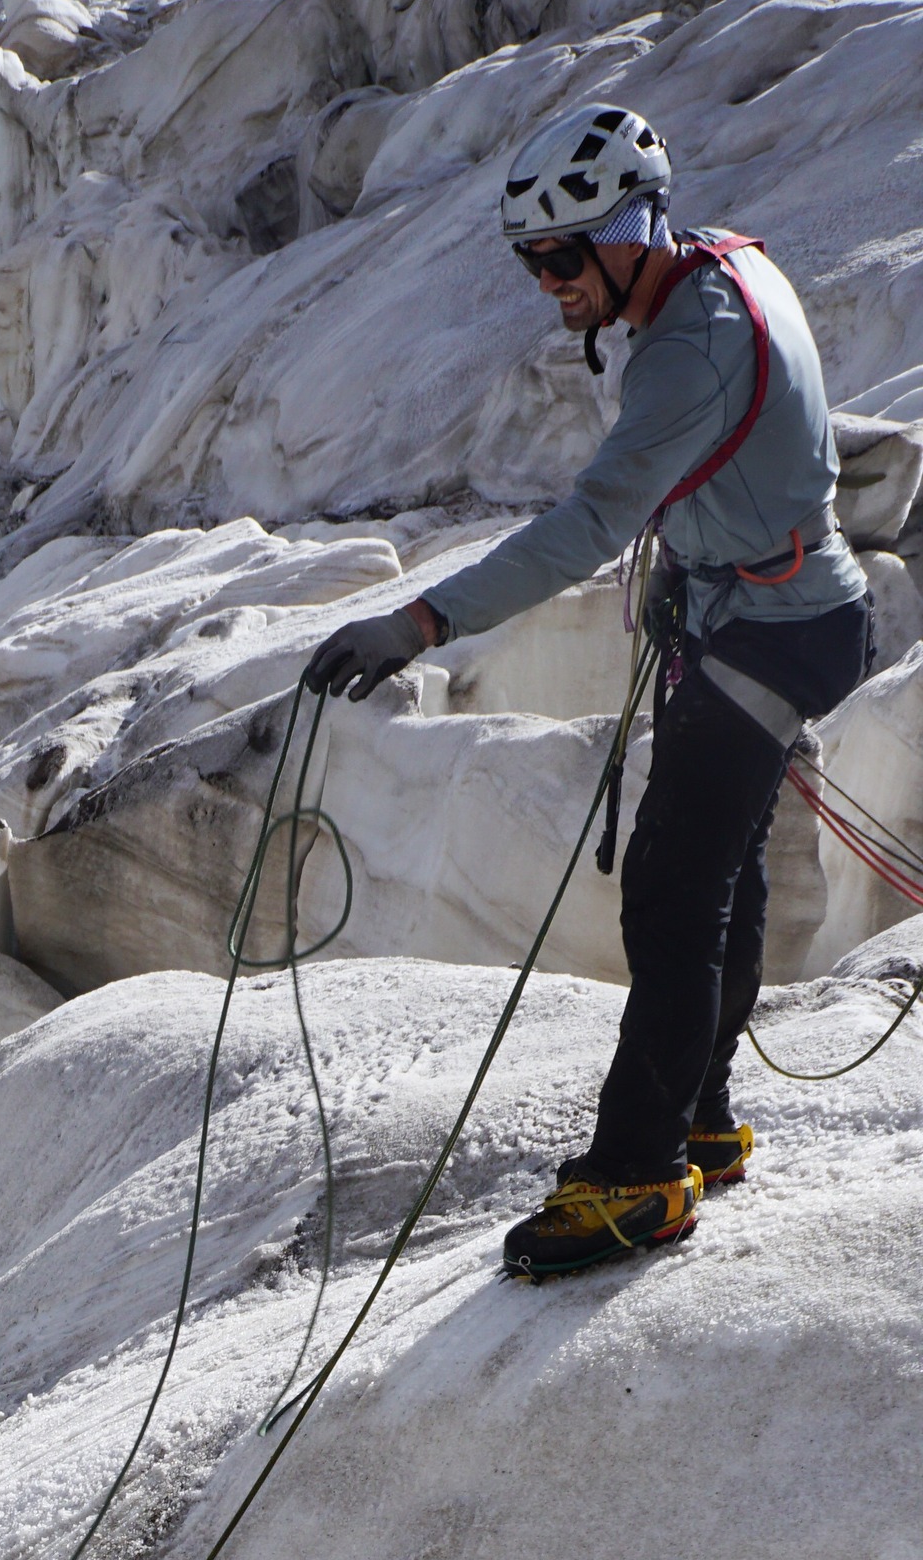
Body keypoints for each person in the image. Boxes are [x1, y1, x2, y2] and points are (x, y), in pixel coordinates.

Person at [305, 103, 874, 1279]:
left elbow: (584, 528)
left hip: (766, 629)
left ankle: (636, 1178)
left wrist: (418, 621)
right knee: (704, 876)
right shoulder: (722, 263)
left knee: (670, 890)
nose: (545, 283)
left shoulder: (684, 351)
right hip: (763, 608)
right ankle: (701, 1122)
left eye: (560, 259)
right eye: (531, 261)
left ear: (625, 232)